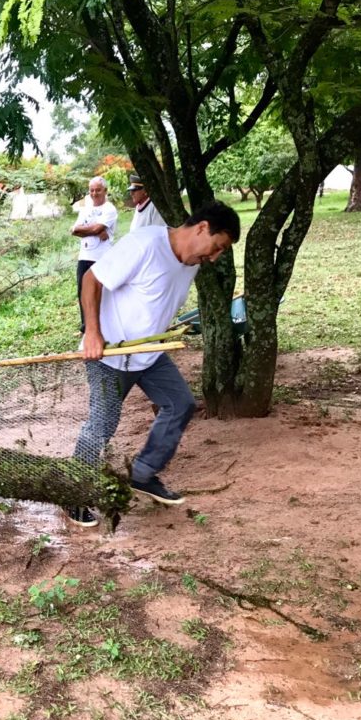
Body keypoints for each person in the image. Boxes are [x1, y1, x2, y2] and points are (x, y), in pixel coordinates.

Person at [67, 200, 241, 528]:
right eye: (216, 247)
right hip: (110, 354)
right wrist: (92, 332)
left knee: (180, 404)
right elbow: (92, 279)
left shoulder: (190, 261)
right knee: (103, 420)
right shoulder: (145, 244)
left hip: (148, 353)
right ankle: (73, 491)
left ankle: (143, 474)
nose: (214, 257)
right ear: (202, 227)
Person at [71, 176, 118, 332]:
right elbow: (74, 230)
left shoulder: (109, 209)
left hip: (102, 256)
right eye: (92, 190)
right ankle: (87, 326)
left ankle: (105, 325)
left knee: (102, 291)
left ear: (105, 191)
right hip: (84, 256)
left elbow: (95, 229)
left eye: (98, 190)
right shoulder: (86, 209)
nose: (94, 193)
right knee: (83, 290)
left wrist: (94, 230)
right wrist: (95, 230)